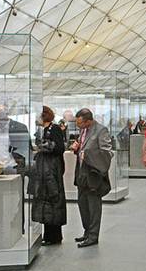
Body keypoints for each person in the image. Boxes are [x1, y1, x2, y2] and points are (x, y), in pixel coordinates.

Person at [71, 108, 113, 247]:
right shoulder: (83, 130)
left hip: (93, 174)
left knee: (94, 207)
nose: (78, 126)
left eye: (80, 123)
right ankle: (87, 231)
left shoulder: (101, 130)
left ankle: (93, 236)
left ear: (88, 121)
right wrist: (77, 148)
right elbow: (82, 148)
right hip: (81, 173)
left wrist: (87, 154)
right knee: (82, 204)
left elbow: (107, 153)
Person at [30, 106, 66, 246]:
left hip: (51, 169)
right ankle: (48, 235)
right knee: (45, 200)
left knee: (53, 198)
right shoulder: (42, 130)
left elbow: (59, 148)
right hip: (44, 169)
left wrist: (42, 147)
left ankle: (54, 236)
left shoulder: (54, 128)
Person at [0, 105, 31, 174]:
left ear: (6, 115)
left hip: (13, 166)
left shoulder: (19, 127)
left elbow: (26, 149)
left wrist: (22, 165)